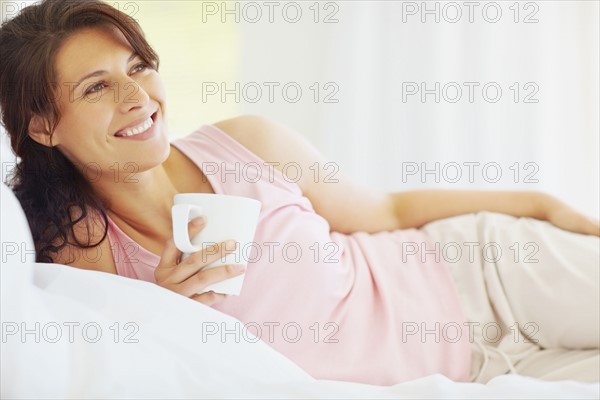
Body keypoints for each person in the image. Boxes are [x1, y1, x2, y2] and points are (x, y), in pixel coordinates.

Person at [1, 0, 598, 386]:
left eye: (137, 67)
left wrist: (536, 203)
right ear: (42, 125)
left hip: (481, 273)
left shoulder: (246, 143)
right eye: (96, 87)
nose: (136, 98)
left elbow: (386, 211)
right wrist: (166, 311)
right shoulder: (75, 259)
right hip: (474, 375)